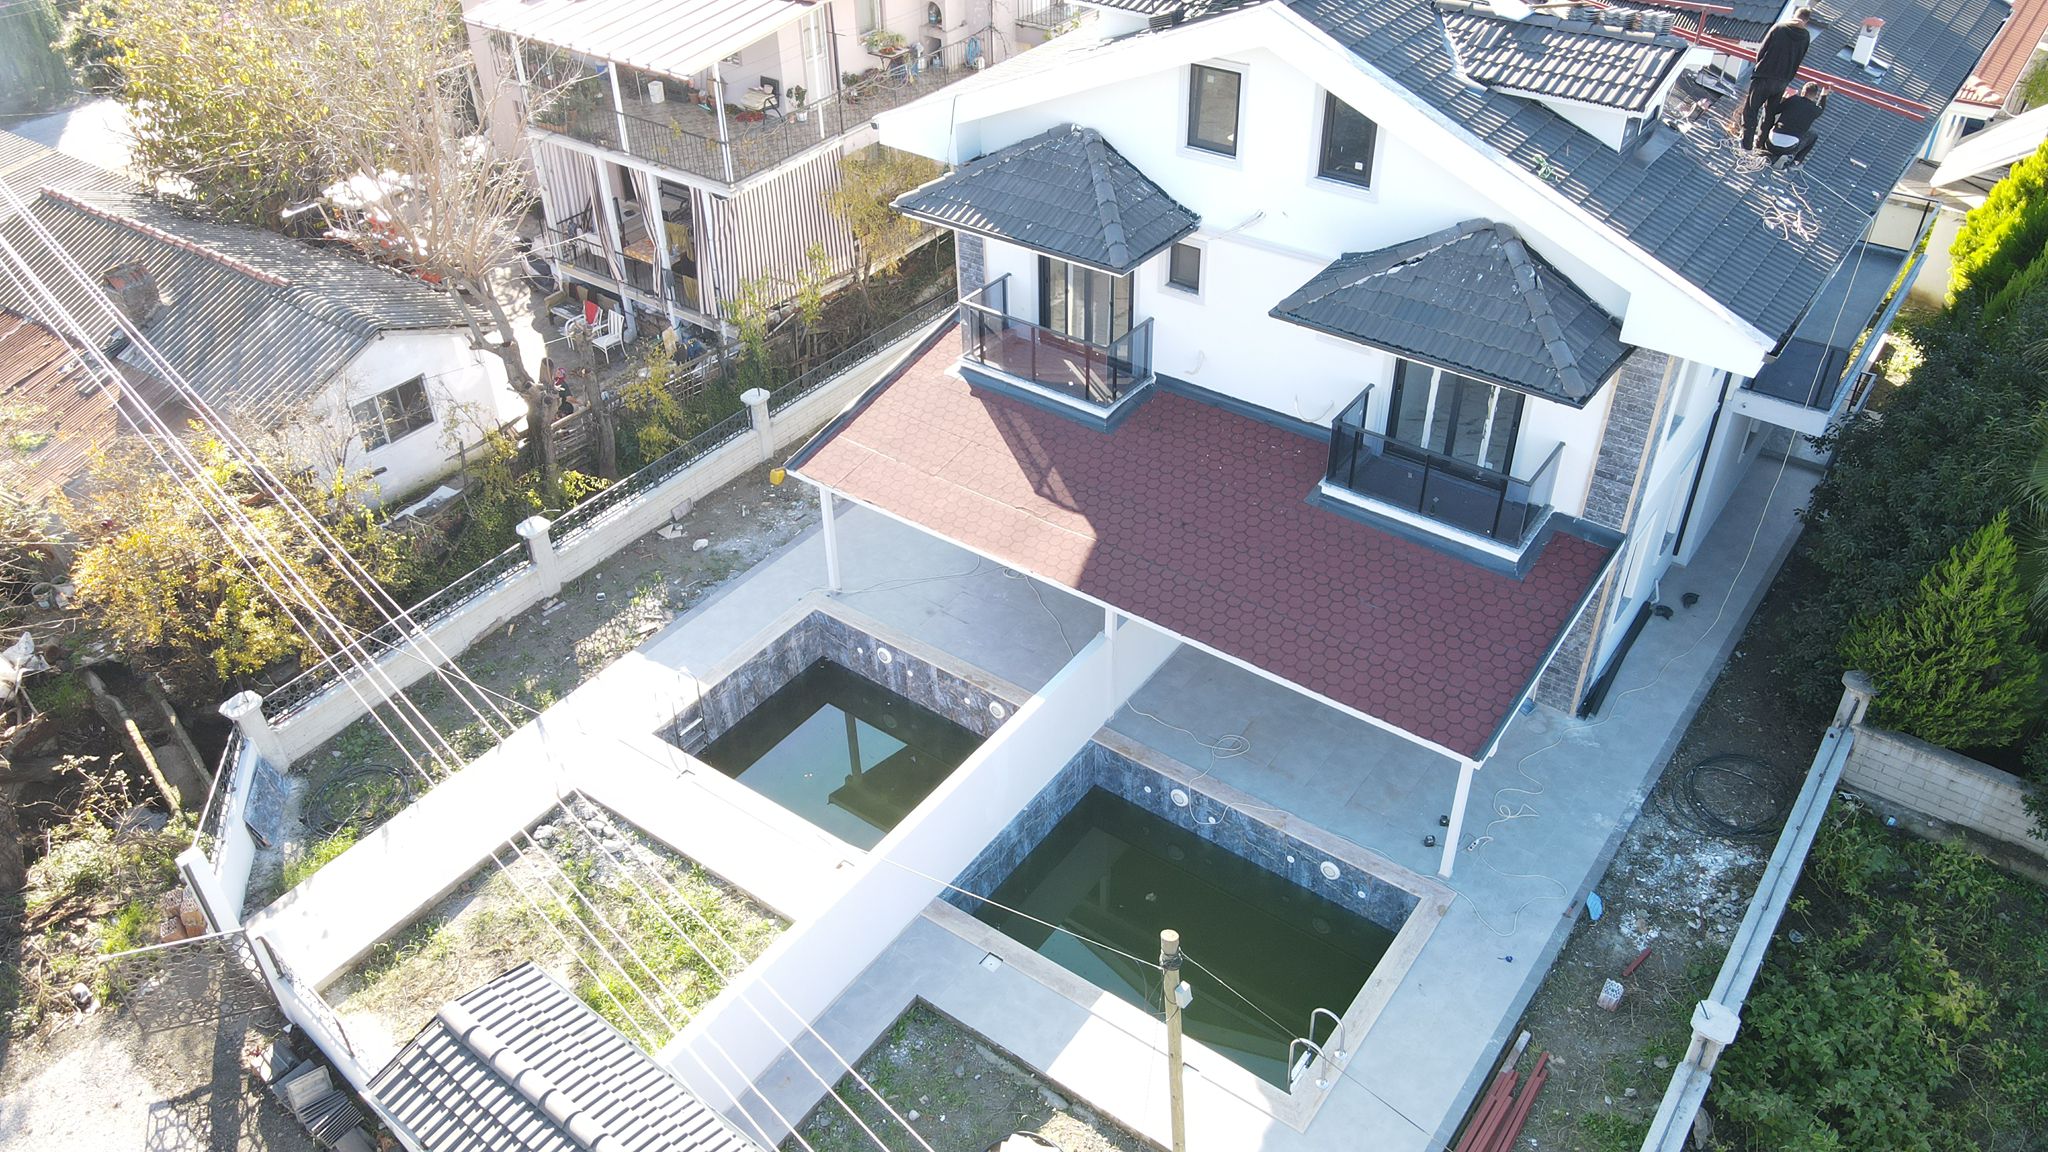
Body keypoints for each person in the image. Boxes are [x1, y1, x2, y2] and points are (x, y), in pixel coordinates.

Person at [1741, 7, 1815, 150]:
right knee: (1769, 113)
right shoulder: (1806, 36)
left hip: (1764, 75)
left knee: (1751, 109)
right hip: (1782, 80)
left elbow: (1761, 52)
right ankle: (1760, 144)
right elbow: (1800, 58)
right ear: (1806, 21)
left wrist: (1760, 67)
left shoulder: (1779, 28)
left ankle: (1746, 144)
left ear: (1794, 15)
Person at [1764, 82, 1828, 166]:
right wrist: (1823, 95)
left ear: (1803, 92)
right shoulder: (1815, 110)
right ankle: (1795, 162)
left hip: (1771, 142)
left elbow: (1776, 110)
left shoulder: (1793, 99)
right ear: (1815, 96)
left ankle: (1772, 156)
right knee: (1813, 135)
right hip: (1789, 147)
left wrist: (1784, 98)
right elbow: (1821, 108)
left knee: (1775, 123)